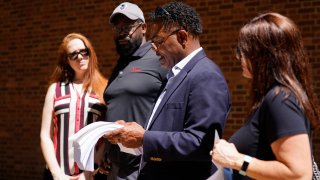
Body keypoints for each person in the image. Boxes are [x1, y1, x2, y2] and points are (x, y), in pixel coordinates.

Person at [104, 2, 231, 180]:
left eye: (157, 41)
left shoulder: (205, 75)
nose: (154, 49)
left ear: (182, 37)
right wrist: (132, 136)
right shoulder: (175, 75)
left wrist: (144, 138)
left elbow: (202, 143)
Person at [211, 12, 320, 180]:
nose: (239, 57)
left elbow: (299, 174)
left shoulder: (280, 99)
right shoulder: (275, 96)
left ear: (264, 56)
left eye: (244, 50)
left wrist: (236, 160)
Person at [101, 2, 167, 180]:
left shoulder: (158, 59)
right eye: (117, 27)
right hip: (115, 167)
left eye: (128, 26)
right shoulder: (121, 64)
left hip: (143, 167)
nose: (122, 32)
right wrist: (108, 151)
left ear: (143, 28)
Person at [40, 33, 108, 180]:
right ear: (67, 60)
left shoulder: (104, 89)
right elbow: (46, 135)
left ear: (90, 53)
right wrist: (57, 174)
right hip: (57, 175)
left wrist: (90, 170)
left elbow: (106, 135)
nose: (80, 57)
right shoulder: (55, 89)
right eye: (73, 54)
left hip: (91, 175)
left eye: (84, 51)